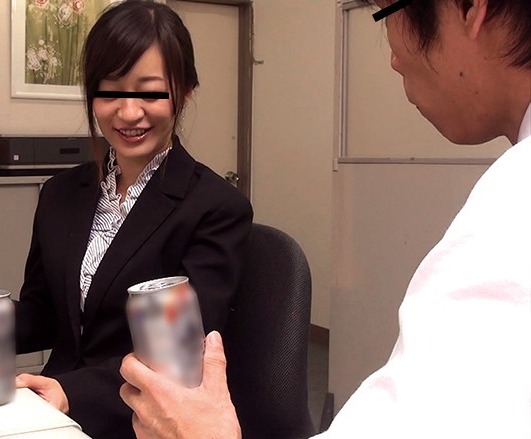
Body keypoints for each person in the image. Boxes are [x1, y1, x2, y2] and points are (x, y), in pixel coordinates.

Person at [119, 0, 531, 437]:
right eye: (110, 88)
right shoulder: (73, 191)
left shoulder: (513, 211)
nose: (393, 59)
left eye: (386, 13)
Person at [0, 1, 253, 437]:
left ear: (184, 91)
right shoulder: (60, 193)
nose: (128, 113)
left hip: (141, 419)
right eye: (110, 91)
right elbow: (43, 316)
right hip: (48, 410)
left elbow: (183, 352)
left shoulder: (215, 207)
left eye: (149, 93)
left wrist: (71, 391)